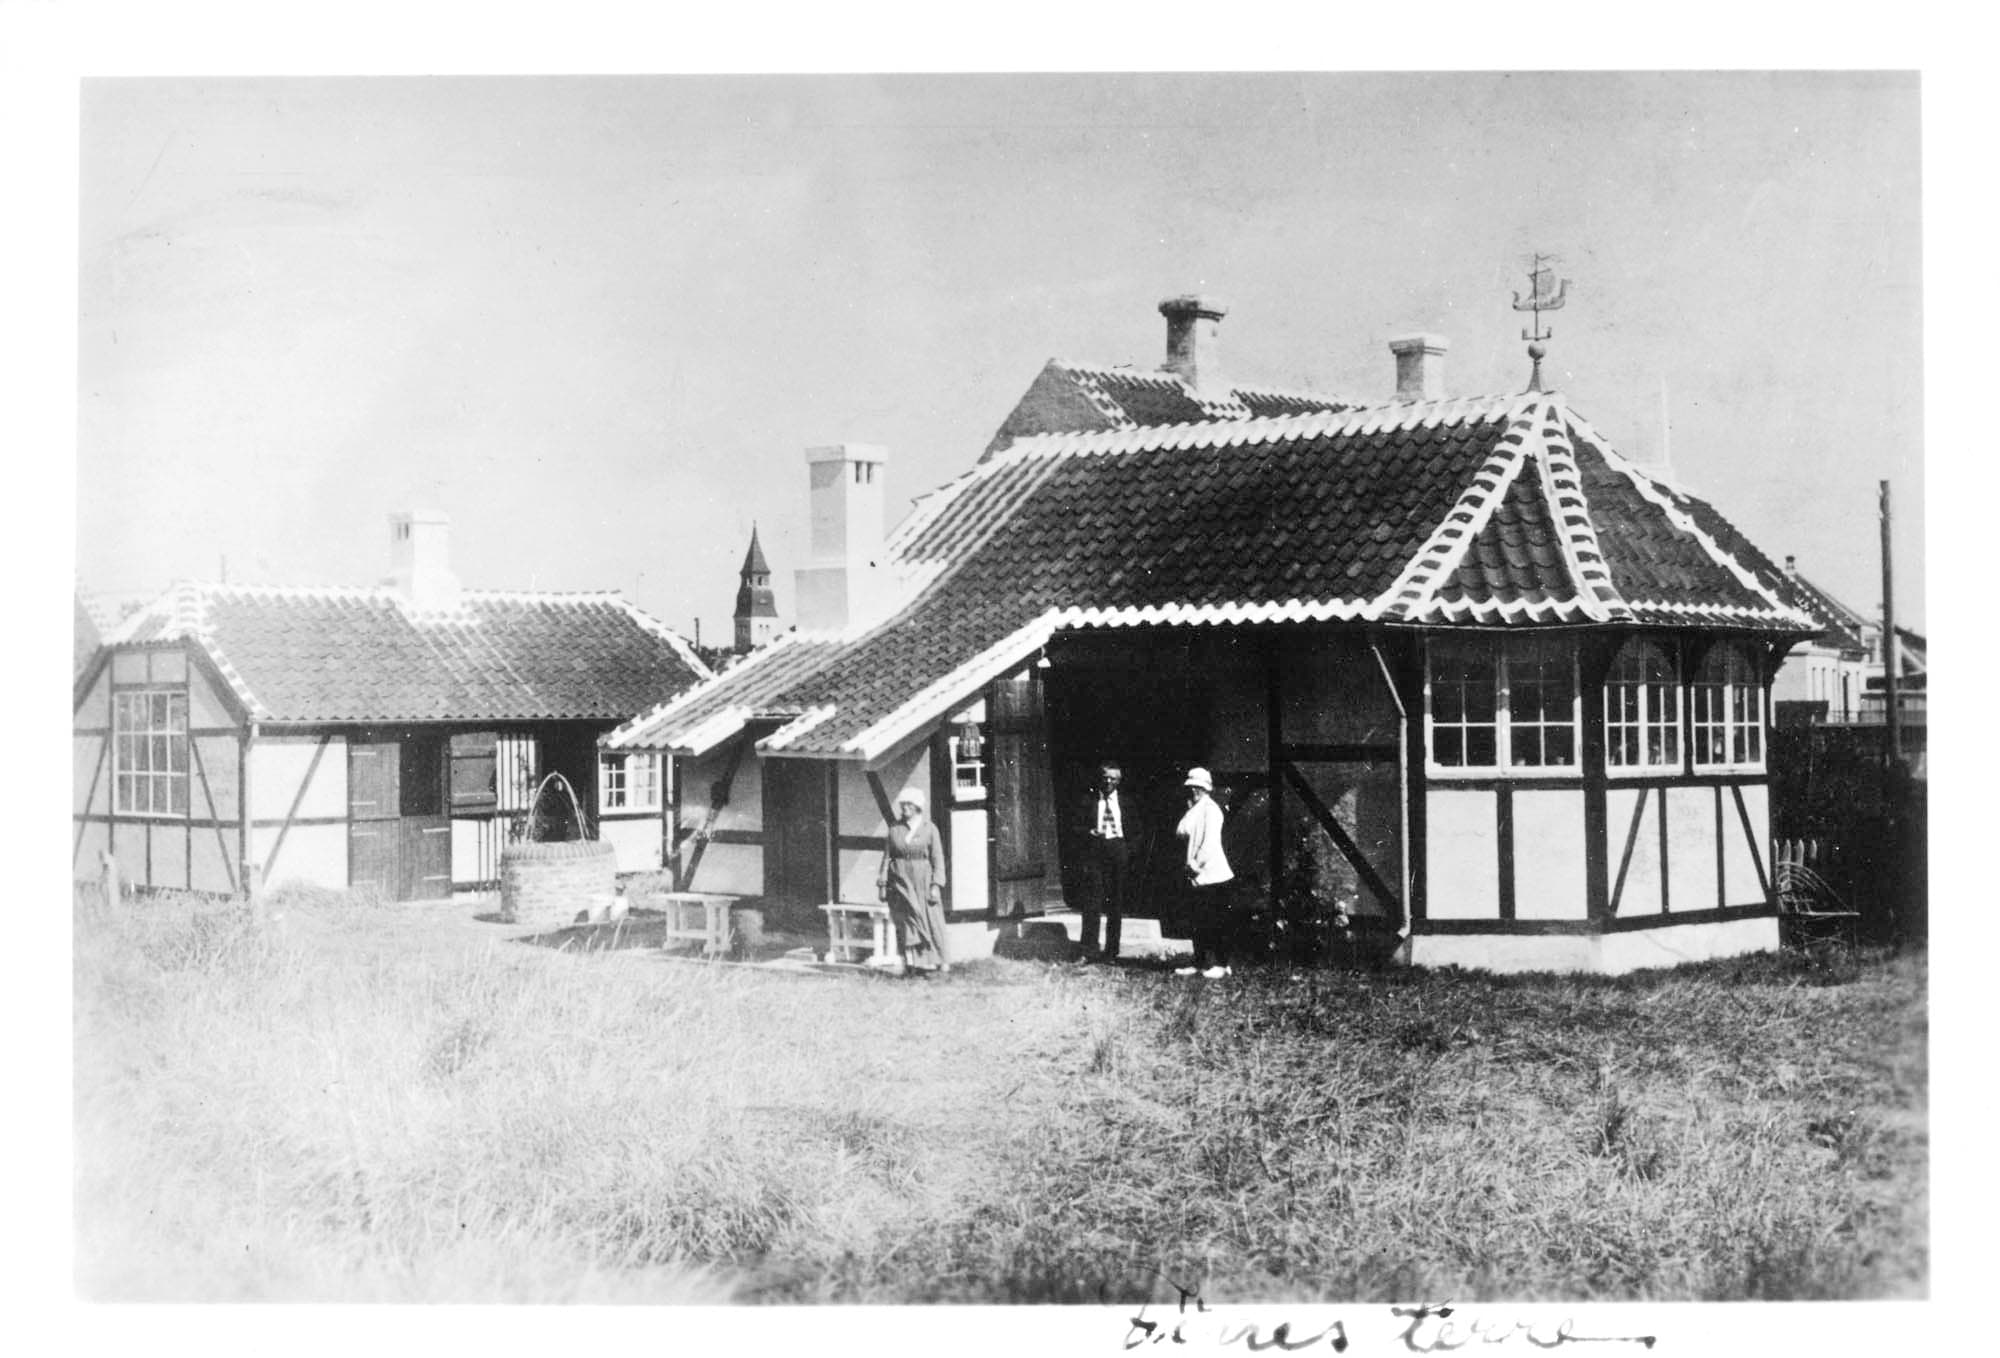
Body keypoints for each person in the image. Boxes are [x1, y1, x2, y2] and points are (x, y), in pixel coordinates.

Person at [878, 786, 951, 976]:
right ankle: (911, 964)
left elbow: (938, 859)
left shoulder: (930, 829)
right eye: (902, 805)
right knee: (907, 923)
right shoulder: (894, 829)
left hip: (924, 881)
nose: (904, 808)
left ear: (917, 806)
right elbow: (886, 858)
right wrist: (882, 884)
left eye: (908, 805)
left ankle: (940, 961)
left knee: (931, 920)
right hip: (901, 883)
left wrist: (936, 885)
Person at [1072, 761, 1136, 963]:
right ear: (1100, 778)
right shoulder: (1088, 801)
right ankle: (1088, 951)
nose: (1109, 781)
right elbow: (1074, 828)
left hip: (1117, 852)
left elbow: (1137, 832)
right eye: (1106, 777)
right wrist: (1089, 832)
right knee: (1092, 903)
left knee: (1115, 905)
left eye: (1113, 778)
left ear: (1119, 780)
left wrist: (1127, 851)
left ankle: (1111, 952)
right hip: (1095, 853)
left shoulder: (1126, 802)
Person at [1175, 767, 1235, 977]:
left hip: (1212, 874)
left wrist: (1195, 865)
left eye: (1196, 787)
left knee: (1215, 921)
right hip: (1197, 876)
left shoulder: (1212, 810)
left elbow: (1209, 843)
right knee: (1198, 921)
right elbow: (1181, 831)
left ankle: (1220, 964)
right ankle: (1199, 961)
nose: (1192, 791)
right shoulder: (1194, 809)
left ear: (1204, 788)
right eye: (1190, 787)